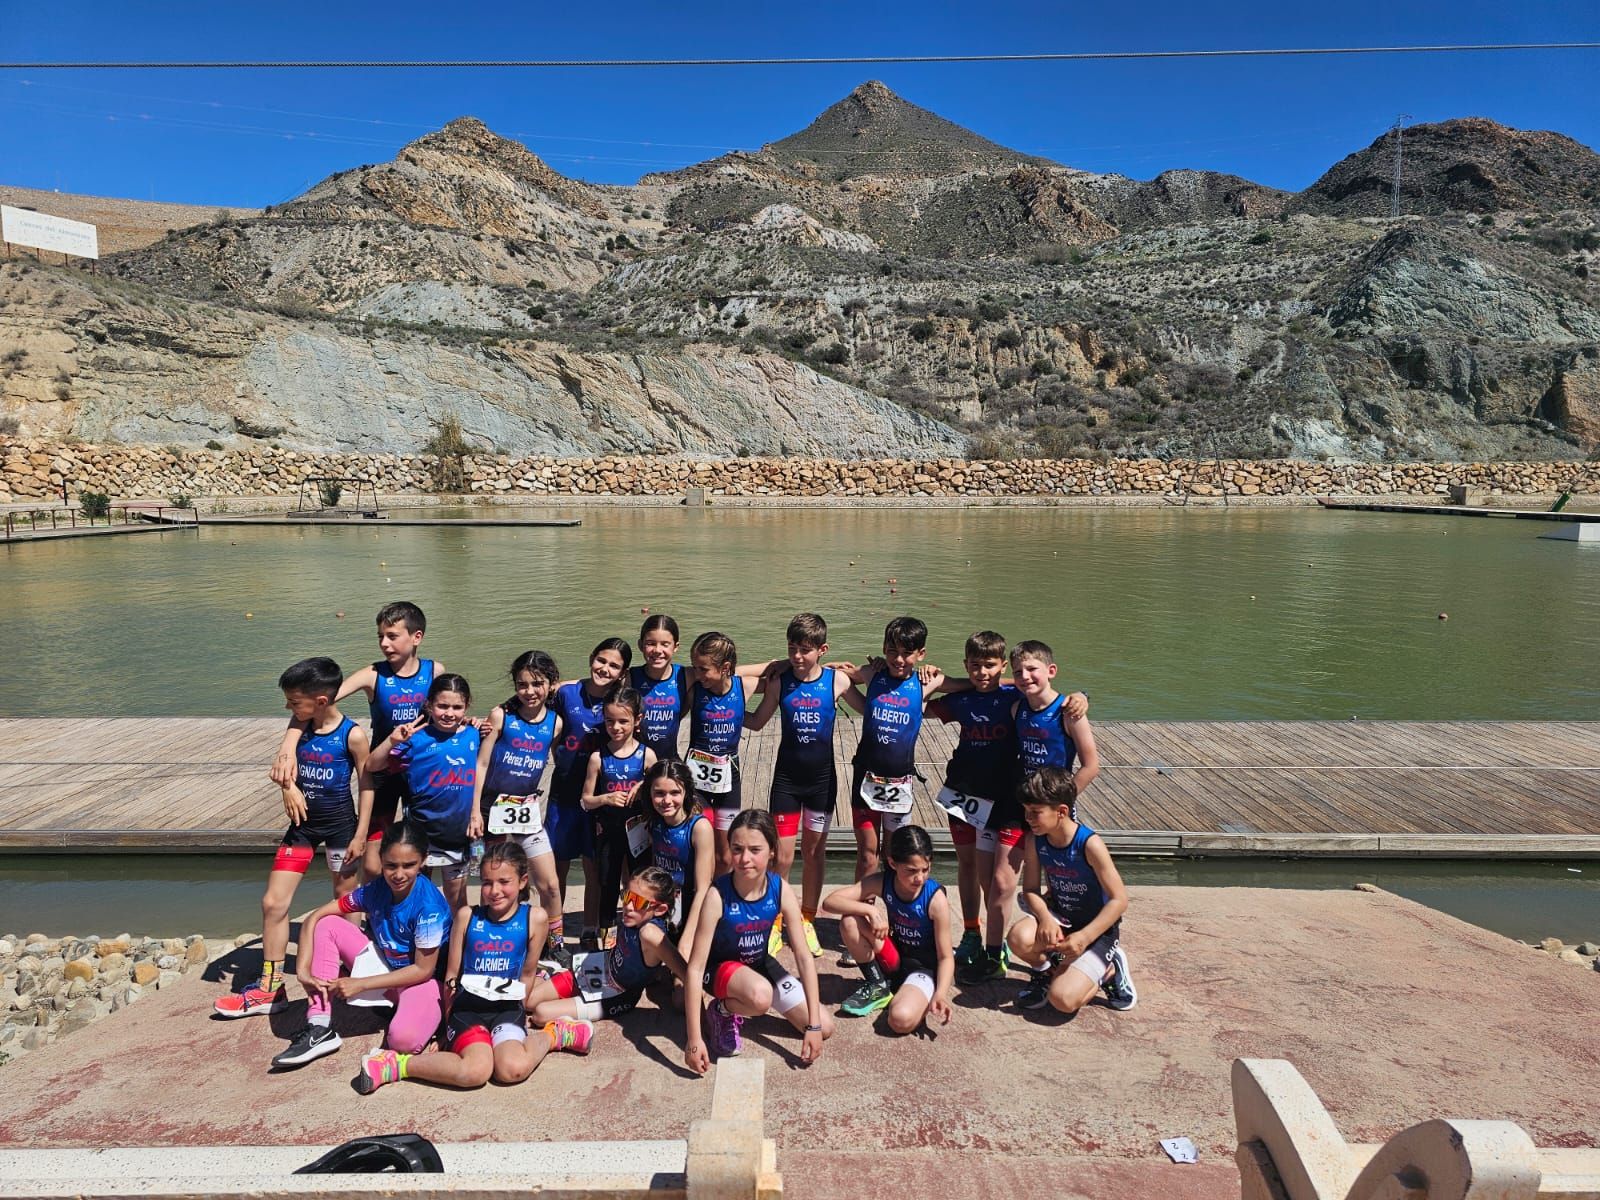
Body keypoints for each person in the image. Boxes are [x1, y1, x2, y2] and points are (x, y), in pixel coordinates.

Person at [353, 841, 591, 1093]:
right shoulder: (467, 916)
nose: (494, 890)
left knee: (512, 1069)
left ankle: (557, 1033)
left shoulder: (535, 918)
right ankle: (395, 1064)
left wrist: (519, 1009)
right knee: (475, 1071)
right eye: (487, 882)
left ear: (522, 881)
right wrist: (445, 1027)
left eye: (504, 881)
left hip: (507, 1008)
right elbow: (452, 975)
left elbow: (527, 973)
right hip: (468, 1009)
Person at [925, 632, 1088, 985]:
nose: (982, 672)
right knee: (972, 870)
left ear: (1001, 667)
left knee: (1001, 881)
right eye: (974, 666)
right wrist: (931, 681)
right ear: (965, 665)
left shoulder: (1015, 696)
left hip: (1007, 799)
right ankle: (972, 933)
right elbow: (915, 708)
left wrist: (1081, 696)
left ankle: (999, 947)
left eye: (990, 665)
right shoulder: (962, 698)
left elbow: (1042, 685)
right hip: (964, 793)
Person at [216, 657, 371, 1017]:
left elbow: (366, 783)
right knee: (273, 903)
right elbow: (285, 770)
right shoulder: (298, 729)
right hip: (302, 830)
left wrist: (361, 832)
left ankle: (355, 973)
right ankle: (271, 988)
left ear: (320, 701)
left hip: (340, 830)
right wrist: (287, 787)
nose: (288, 707)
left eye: (293, 701)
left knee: (345, 900)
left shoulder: (353, 735)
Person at [270, 602, 439, 878]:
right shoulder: (372, 675)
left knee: (423, 849)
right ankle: (371, 915)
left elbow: (448, 712)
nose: (384, 643)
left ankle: (416, 909)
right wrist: (288, 747)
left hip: (420, 771)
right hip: (382, 770)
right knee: (372, 864)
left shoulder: (435, 672)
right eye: (380, 636)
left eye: (392, 636)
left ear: (416, 637)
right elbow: (315, 703)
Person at [272, 820, 452, 1069]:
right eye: (391, 866)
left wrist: (360, 984)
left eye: (409, 865)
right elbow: (316, 917)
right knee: (327, 924)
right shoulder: (376, 889)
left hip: (421, 982)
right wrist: (302, 970)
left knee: (403, 1040)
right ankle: (319, 1026)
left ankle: (416, 1014)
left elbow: (423, 970)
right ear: (380, 859)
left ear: (424, 861)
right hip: (388, 970)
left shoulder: (428, 907)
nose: (399, 874)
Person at [682, 810, 834, 1072]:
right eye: (737, 849)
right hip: (719, 970)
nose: (745, 859)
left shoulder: (780, 889)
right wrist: (694, 1040)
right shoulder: (717, 895)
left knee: (825, 1026)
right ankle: (721, 1011)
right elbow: (695, 968)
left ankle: (751, 997)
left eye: (755, 849)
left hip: (759, 965)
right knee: (760, 997)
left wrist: (814, 1027)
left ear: (772, 851)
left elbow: (803, 956)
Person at [742, 613, 853, 959]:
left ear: (822, 649)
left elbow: (876, 694)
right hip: (787, 782)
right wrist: (724, 710)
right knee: (783, 857)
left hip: (821, 783)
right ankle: (776, 921)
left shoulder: (838, 682)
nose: (798, 657)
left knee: (815, 853)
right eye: (792, 649)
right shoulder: (779, 681)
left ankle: (807, 919)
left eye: (806, 650)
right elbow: (758, 722)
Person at [468, 650, 570, 969]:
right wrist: (475, 812)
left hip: (526, 811)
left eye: (537, 684)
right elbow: (481, 764)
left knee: (550, 883)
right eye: (522, 684)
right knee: (496, 881)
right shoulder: (501, 716)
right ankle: (499, 936)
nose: (529, 691)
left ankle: (555, 942)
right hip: (491, 810)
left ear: (550, 684)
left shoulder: (556, 723)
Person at [1006, 768, 1136, 1013]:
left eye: (1035, 813)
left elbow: (1119, 900)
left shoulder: (1089, 844)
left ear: (1061, 811)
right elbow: (1031, 889)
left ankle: (1109, 970)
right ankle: (1047, 973)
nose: (1028, 818)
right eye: (1026, 811)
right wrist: (1045, 918)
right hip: (1062, 919)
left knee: (1063, 1000)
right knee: (1018, 937)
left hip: (1097, 930)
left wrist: (1085, 937)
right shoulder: (1036, 840)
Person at [822, 824, 954, 1033]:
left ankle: (914, 996)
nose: (919, 878)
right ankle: (878, 986)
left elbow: (946, 957)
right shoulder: (883, 881)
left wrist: (941, 994)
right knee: (850, 920)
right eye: (911, 871)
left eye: (925, 869)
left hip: (922, 970)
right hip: (894, 957)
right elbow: (830, 902)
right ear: (892, 863)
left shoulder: (935, 900)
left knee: (899, 1021)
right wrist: (871, 911)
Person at [366, 674, 479, 911]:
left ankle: (455, 946)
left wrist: (481, 724)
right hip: (420, 832)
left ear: (467, 706)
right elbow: (372, 765)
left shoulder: (474, 735)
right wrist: (392, 741)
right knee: (414, 896)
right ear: (429, 705)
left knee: (457, 900)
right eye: (442, 706)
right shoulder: (415, 739)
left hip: (457, 833)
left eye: (457, 707)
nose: (449, 713)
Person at [549, 638, 631, 950]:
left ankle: (589, 927)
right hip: (563, 795)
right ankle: (554, 933)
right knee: (556, 867)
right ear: (591, 658)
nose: (605, 669)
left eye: (614, 665)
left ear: (622, 673)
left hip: (599, 799)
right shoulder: (567, 693)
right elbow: (535, 711)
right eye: (601, 661)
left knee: (593, 868)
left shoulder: (620, 701)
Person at [527, 865, 689, 1023]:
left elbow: (687, 973)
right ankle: (553, 972)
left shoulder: (651, 934)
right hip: (597, 967)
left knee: (541, 1014)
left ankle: (577, 1033)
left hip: (617, 994)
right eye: (626, 896)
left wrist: (700, 1019)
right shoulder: (634, 917)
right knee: (529, 1002)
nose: (628, 906)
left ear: (660, 909)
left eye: (638, 901)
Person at [839, 617, 931, 886]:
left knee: (895, 855)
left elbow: (976, 682)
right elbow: (836, 672)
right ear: (883, 649)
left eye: (907, 653)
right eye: (892, 652)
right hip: (866, 779)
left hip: (899, 783)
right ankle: (864, 910)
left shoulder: (928, 682)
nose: (899, 659)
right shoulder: (872, 674)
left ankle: (894, 910)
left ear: (921, 654)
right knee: (867, 855)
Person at [581, 686, 657, 947]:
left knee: (639, 885)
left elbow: (660, 794)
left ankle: (638, 938)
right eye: (610, 721)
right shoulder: (597, 758)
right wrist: (605, 798)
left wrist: (644, 787)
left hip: (639, 835)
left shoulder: (647, 755)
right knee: (607, 886)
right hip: (609, 836)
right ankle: (608, 941)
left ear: (637, 721)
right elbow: (586, 801)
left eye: (623, 721)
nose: (616, 727)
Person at [685, 631, 765, 872]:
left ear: (725, 667)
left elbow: (781, 672)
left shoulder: (745, 686)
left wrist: (828, 669)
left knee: (725, 852)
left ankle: (719, 900)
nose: (698, 675)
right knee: (698, 845)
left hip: (729, 779)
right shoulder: (694, 688)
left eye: (703, 669)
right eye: (695, 668)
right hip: (696, 779)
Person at [643, 760, 714, 958]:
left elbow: (703, 890)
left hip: (692, 907)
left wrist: (687, 939)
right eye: (659, 793)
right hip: (664, 903)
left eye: (675, 793)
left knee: (681, 981)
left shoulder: (699, 828)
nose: (667, 801)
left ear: (686, 793)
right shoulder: (654, 821)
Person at [1011, 640, 1100, 796]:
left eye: (1031, 669)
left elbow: (1091, 766)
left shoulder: (1070, 712)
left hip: (1055, 800)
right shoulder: (1016, 709)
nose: (1025, 676)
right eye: (1018, 672)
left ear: (1051, 671)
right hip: (1025, 796)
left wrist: (1062, 801)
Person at [629, 615, 691, 762]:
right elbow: (593, 683)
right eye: (650, 643)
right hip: (635, 764)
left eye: (665, 644)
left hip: (669, 761)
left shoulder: (685, 676)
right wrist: (562, 685)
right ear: (640, 645)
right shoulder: (630, 678)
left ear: (675, 646)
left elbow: (720, 672)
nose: (657, 650)